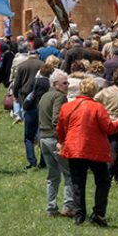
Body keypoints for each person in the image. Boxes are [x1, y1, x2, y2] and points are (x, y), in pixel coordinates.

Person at [57, 77, 118, 226]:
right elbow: (108, 128)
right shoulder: (97, 107)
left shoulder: (67, 106)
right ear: (94, 91)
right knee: (103, 180)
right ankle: (98, 213)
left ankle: (79, 214)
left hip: (74, 148)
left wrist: (62, 142)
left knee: (77, 182)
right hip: (95, 149)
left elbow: (61, 128)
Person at [39, 69, 76, 218]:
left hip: (44, 138)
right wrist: (62, 140)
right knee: (69, 174)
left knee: (52, 176)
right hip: (54, 139)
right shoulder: (59, 96)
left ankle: (51, 207)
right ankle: (69, 207)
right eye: (64, 83)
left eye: (67, 83)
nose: (67, 85)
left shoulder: (45, 95)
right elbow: (57, 120)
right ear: (55, 84)